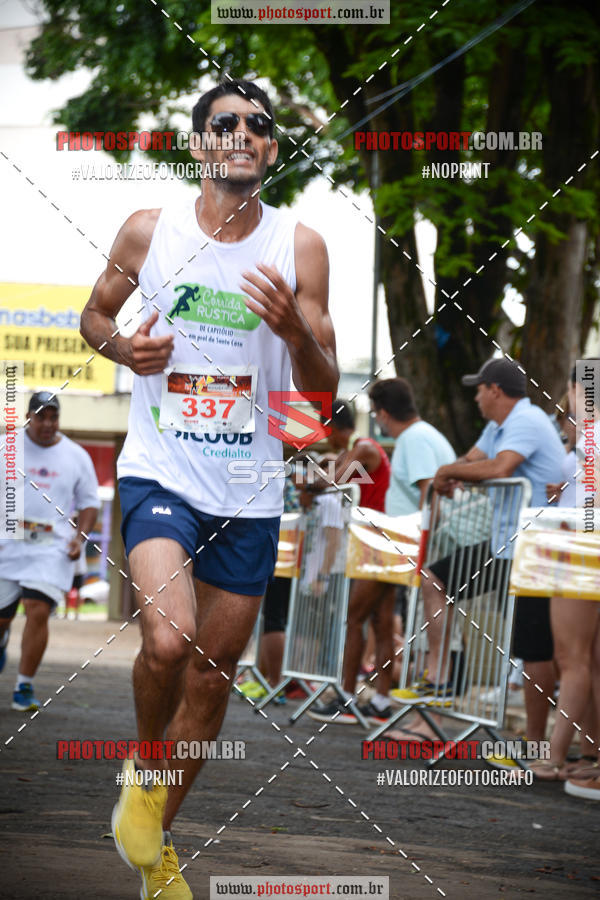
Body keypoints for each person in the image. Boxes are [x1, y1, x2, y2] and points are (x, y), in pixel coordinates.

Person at [80, 79, 338, 899]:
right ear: (199, 145)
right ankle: (146, 765)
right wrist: (124, 352)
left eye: (259, 126)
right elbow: (94, 316)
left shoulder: (299, 248)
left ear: (269, 148)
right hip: (162, 472)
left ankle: (155, 847)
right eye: (223, 124)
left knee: (214, 672)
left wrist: (296, 333)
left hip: (251, 493)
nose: (242, 134)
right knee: (169, 642)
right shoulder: (148, 232)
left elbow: (317, 409)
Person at [418, 359, 564, 759]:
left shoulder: (528, 420)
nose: (476, 396)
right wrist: (452, 474)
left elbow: (500, 467)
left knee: (538, 649)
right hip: (505, 546)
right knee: (434, 579)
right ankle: (442, 678)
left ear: (495, 390)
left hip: (535, 550)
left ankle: (537, 746)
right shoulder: (499, 424)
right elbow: (472, 459)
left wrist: (447, 472)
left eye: (479, 389)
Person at [0, 392, 99, 709]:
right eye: (40, 416)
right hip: (8, 541)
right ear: (28, 417)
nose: (47, 423)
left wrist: (79, 539)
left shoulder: (76, 455)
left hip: (50, 546)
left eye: (53, 417)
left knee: (37, 608)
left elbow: (89, 504)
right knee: (2, 620)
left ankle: (23, 688)